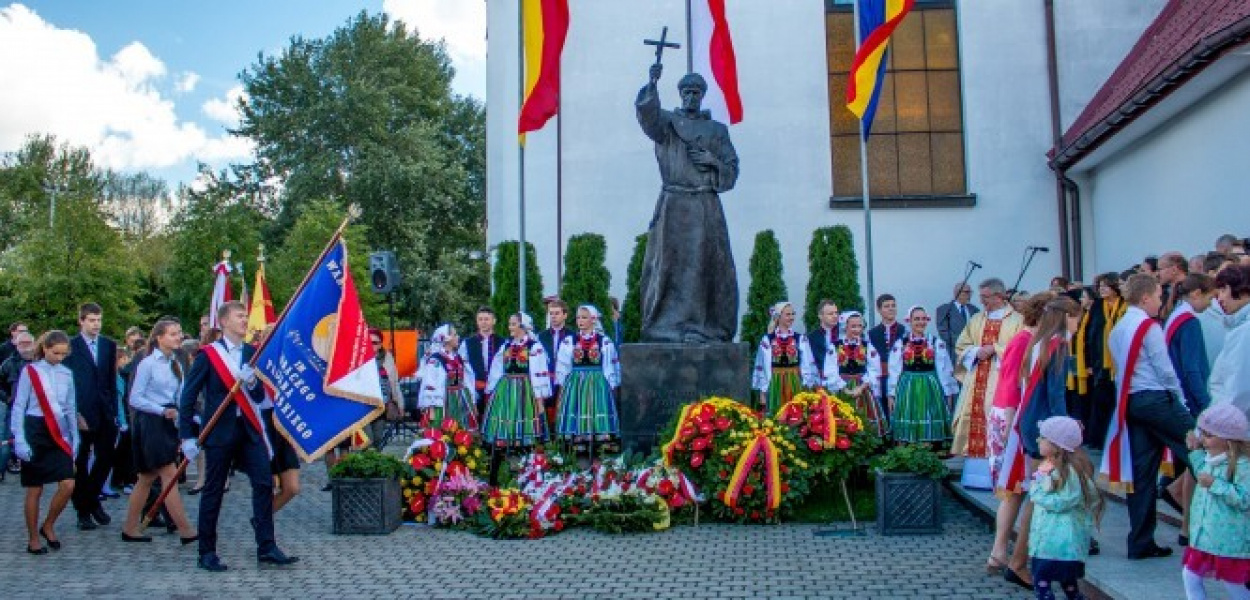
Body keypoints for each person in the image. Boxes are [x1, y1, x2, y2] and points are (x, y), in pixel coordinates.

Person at [178, 301, 298, 572]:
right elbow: (188, 396)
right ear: (224, 322)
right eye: (239, 316)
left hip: (250, 431)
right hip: (220, 433)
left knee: (264, 484)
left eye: (246, 316)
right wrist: (186, 436)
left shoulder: (252, 353)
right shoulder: (208, 355)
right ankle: (206, 551)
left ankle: (266, 546)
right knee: (214, 491)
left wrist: (253, 382)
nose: (245, 320)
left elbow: (259, 398)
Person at [636, 62, 740, 343]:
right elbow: (649, 119)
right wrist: (652, 83)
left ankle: (704, 326)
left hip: (706, 205)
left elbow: (732, 171)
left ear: (703, 95)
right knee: (669, 266)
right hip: (674, 205)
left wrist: (712, 161)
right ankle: (667, 327)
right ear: (680, 94)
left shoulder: (717, 131)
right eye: (687, 92)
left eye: (696, 92)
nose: (691, 97)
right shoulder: (668, 124)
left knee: (705, 265)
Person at [1102, 274, 1195, 560]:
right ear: (1145, 298)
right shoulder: (1148, 325)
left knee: (1142, 473)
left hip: (1131, 400)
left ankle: (1140, 541)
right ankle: (1213, 528)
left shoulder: (1119, 326)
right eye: (1158, 296)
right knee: (1201, 448)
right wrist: (1181, 400)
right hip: (1155, 397)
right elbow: (1164, 368)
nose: (1161, 302)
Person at [1003, 296, 1084, 588]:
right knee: (1039, 499)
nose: (1079, 323)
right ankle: (1019, 562)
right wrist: (1066, 434)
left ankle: (1021, 561)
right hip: (1046, 429)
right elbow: (1056, 394)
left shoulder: (1038, 342)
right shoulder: (1058, 345)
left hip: (1030, 422)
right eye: (1077, 318)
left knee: (1036, 494)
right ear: (1066, 317)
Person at [985, 292, 1051, 575]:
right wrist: (1014, 429)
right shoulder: (1023, 341)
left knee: (1015, 492)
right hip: (1010, 417)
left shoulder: (1030, 340)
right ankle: (999, 550)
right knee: (1012, 491)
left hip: (1011, 417)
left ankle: (999, 552)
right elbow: (1010, 383)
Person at [119, 319, 197, 543]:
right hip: (151, 423)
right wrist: (161, 410)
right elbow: (135, 398)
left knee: (146, 478)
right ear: (159, 337)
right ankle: (184, 528)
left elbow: (181, 395)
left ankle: (130, 527)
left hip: (168, 423)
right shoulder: (147, 363)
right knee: (169, 474)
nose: (178, 337)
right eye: (173, 334)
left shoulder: (177, 362)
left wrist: (187, 417)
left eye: (179, 333)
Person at [10, 330, 78, 554]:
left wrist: (74, 438)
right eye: (56, 353)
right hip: (35, 429)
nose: (59, 358)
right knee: (34, 489)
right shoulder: (31, 371)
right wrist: (19, 439)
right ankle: (33, 539)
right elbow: (19, 405)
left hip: (57, 432)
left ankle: (48, 524)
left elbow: (70, 408)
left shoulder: (67, 374)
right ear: (45, 348)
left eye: (63, 354)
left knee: (68, 483)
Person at [952, 278, 1024, 486]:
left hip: (1002, 380)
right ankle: (976, 477)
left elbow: (1021, 348)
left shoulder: (1017, 320)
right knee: (975, 420)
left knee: (996, 422)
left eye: (985, 297)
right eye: (981, 297)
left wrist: (996, 349)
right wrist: (976, 351)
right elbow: (961, 345)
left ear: (999, 296)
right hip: (977, 379)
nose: (981, 301)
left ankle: (1002, 476)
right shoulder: (976, 319)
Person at [1027, 416, 1103, 600]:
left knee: (1043, 581)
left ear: (1057, 445)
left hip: (1058, 543)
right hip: (1051, 540)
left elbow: (1064, 501)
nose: (1039, 440)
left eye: (1043, 437)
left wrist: (1037, 492)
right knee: (1068, 584)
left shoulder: (1068, 472)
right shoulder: (1052, 468)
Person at [1181, 403, 1250, 600]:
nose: (1203, 440)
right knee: (1190, 575)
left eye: (1209, 436)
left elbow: (1245, 498)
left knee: (1234, 585)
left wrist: (1215, 485)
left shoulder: (1243, 465)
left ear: (1228, 440)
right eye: (1202, 434)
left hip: (1230, 541)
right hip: (1205, 538)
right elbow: (1201, 471)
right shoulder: (1211, 459)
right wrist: (1194, 451)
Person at [63, 303, 118, 531]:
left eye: (99, 320)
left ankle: (92, 499)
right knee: (81, 461)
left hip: (105, 409)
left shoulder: (108, 345)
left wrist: (114, 410)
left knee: (106, 456)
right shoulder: (70, 347)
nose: (96, 324)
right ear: (82, 321)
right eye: (92, 320)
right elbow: (67, 382)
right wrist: (73, 413)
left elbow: (110, 380)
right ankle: (83, 510)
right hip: (81, 411)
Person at [482, 313, 552, 485]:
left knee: (526, 434)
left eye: (513, 324)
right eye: (510, 324)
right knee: (503, 434)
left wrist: (539, 401)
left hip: (525, 391)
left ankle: (528, 475)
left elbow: (538, 374)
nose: (510, 327)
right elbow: (496, 369)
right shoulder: (506, 345)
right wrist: (492, 390)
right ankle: (498, 476)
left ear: (522, 327)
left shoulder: (534, 347)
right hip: (505, 391)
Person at [886, 306, 958, 445]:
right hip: (908, 386)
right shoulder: (901, 343)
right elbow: (894, 371)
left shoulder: (935, 342)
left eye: (923, 319)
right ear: (910, 321)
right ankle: (910, 451)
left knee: (929, 414)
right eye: (917, 319)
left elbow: (945, 369)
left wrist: (948, 393)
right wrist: (891, 394)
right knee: (910, 412)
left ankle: (930, 450)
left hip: (930, 385)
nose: (920, 322)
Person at [554, 305, 621, 451]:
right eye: (578, 317)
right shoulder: (569, 341)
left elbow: (610, 365)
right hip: (576, 382)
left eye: (584, 317)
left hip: (597, 382)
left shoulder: (604, 341)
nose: (580, 321)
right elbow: (563, 366)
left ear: (593, 319)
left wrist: (612, 384)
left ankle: (599, 441)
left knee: (596, 407)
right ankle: (578, 441)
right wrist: (563, 383)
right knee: (577, 407)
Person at [1072, 273, 1126, 448]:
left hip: (1118, 362)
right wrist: (1087, 362)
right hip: (1100, 362)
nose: (1102, 289)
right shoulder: (1097, 307)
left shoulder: (1124, 306)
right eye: (1100, 286)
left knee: (1114, 401)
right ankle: (1098, 439)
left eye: (1106, 286)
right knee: (1101, 401)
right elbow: (1088, 335)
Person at [822, 311, 886, 436]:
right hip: (841, 388)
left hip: (862, 388)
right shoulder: (834, 347)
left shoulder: (867, 346)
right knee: (843, 419)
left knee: (865, 419)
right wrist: (846, 390)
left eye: (860, 326)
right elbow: (830, 371)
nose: (857, 330)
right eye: (853, 326)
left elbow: (874, 369)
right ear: (845, 326)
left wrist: (861, 387)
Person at [752, 302, 819, 414]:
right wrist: (763, 392)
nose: (791, 317)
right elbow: (763, 366)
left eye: (793, 314)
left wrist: (807, 384)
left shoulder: (800, 338)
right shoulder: (768, 339)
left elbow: (807, 362)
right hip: (775, 381)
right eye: (788, 314)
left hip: (794, 380)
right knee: (776, 412)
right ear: (778, 316)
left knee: (796, 412)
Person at [417, 324, 479, 430]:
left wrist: (472, 402)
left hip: (461, 400)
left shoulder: (458, 358)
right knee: (444, 430)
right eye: (454, 335)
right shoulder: (436, 360)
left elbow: (468, 380)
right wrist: (432, 409)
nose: (457, 337)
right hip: (444, 401)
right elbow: (431, 383)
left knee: (461, 429)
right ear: (447, 339)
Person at [1208, 265, 1250, 409]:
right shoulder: (1240, 327)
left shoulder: (1244, 331)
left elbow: (1238, 392)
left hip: (1233, 423)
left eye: (1223, 289)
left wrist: (1218, 426)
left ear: (1242, 289)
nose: (1219, 298)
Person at [0, 330, 36, 483]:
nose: (26, 347)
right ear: (16, 344)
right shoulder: (8, 364)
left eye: (29, 343)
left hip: (36, 409)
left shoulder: (41, 362)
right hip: (14, 408)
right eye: (22, 343)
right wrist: (7, 398)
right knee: (7, 441)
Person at [460, 306, 504, 418]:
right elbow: (462, 366)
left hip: (497, 388)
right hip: (475, 387)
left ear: (494, 321)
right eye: (480, 319)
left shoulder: (503, 342)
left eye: (486, 319)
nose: (483, 322)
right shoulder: (467, 343)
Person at [868, 294, 906, 421]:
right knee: (882, 408)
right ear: (879, 310)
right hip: (880, 376)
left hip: (900, 376)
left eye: (893, 306)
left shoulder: (904, 331)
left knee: (899, 407)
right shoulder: (872, 333)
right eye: (887, 306)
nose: (891, 309)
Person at [538, 299, 574, 427]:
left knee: (565, 407)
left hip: (565, 379)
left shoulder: (573, 336)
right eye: (551, 313)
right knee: (546, 410)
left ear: (565, 315)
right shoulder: (541, 336)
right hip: (547, 379)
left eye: (557, 313)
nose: (553, 316)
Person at [366, 328, 404, 443]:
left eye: (375, 343)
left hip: (383, 404)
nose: (372, 345)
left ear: (380, 344)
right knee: (367, 440)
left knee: (378, 438)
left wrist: (400, 404)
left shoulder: (387, 358)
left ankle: (375, 460)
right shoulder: (361, 358)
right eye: (369, 342)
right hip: (364, 405)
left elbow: (394, 383)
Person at [935, 282, 979, 365]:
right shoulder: (944, 309)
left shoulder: (975, 310)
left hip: (972, 354)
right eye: (966, 292)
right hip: (952, 353)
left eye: (970, 292)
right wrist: (962, 343)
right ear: (957, 293)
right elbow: (943, 331)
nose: (969, 295)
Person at [807, 300, 841, 376]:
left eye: (836, 313)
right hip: (821, 380)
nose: (835, 316)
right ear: (820, 316)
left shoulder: (843, 335)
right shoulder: (811, 338)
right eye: (830, 314)